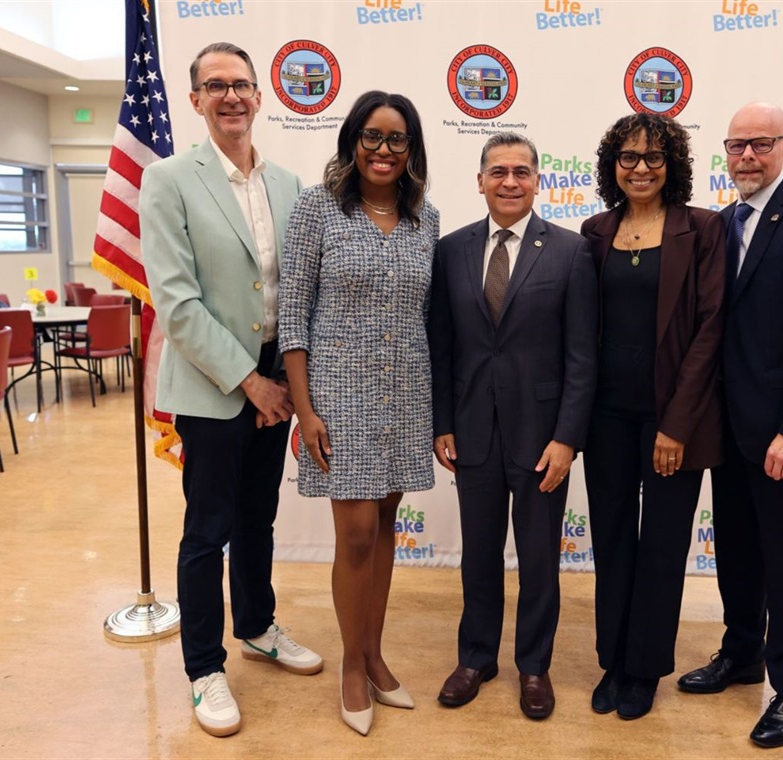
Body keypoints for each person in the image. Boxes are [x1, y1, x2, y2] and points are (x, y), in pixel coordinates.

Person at [141, 42, 322, 739]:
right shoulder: (167, 179)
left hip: (277, 378)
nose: (231, 97)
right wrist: (250, 383)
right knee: (206, 531)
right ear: (195, 101)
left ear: (258, 95)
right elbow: (178, 303)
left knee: (257, 517)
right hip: (218, 385)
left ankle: (256, 626)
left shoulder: (288, 185)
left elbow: (294, 289)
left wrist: (287, 383)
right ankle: (204, 668)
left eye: (241, 84)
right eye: (215, 86)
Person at [675, 102, 783, 748]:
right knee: (739, 557)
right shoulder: (724, 222)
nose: (746, 156)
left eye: (759, 144)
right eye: (735, 145)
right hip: (730, 431)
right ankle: (742, 653)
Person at [279, 91, 438, 737]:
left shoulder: (425, 218)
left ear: (411, 150)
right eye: (371, 137)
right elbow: (293, 314)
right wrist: (305, 408)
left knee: (387, 524)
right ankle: (351, 663)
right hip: (338, 395)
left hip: (406, 392)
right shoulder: (316, 210)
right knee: (355, 537)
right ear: (352, 142)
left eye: (397, 139)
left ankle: (375, 652)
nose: (382, 150)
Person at [429, 133, 598, 720]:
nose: (509, 181)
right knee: (477, 555)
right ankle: (476, 657)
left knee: (538, 559)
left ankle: (534, 666)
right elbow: (443, 347)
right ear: (479, 181)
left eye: (521, 172)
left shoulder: (571, 252)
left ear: (537, 182)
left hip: (542, 437)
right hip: (472, 431)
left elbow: (583, 356)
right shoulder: (450, 250)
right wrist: (442, 423)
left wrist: (567, 439)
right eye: (497, 171)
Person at [579, 112, 726, 720]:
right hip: (605, 418)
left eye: (654, 157)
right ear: (613, 166)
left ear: (674, 167)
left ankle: (644, 670)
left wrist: (676, 426)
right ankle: (613, 659)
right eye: (629, 157)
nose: (641, 168)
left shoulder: (703, 230)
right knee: (611, 543)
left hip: (672, 422)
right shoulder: (593, 231)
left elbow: (711, 332)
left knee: (662, 546)